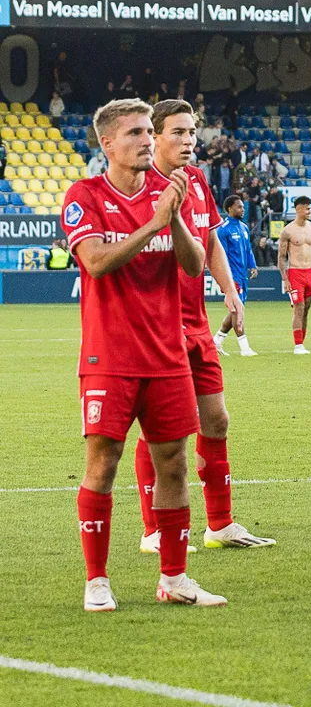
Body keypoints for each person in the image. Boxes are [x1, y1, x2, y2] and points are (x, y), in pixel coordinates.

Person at [62, 98, 226, 610]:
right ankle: (96, 581)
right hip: (109, 358)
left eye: (148, 132)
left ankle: (174, 578)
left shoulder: (168, 190)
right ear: (107, 143)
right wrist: (153, 224)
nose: (146, 141)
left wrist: (172, 218)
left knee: (173, 465)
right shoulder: (85, 195)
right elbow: (96, 262)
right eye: (135, 133)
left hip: (167, 356)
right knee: (103, 464)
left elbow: (194, 264)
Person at [133, 98, 275, 553]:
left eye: (192, 132)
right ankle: (154, 530)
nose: (189, 140)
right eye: (178, 132)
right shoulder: (138, 186)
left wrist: (230, 291)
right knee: (161, 431)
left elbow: (210, 239)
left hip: (195, 325)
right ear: (154, 136)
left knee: (216, 420)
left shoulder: (196, 179)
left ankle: (220, 525)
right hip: (158, 328)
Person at [278, 196, 311, 354]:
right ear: (299, 209)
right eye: (307, 208)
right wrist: (285, 279)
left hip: (310, 272)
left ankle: (301, 343)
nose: (310, 211)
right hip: (295, 273)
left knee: (306, 309)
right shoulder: (287, 231)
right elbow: (281, 257)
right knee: (298, 308)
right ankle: (298, 345)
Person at [214, 195, 260, 357]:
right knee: (237, 310)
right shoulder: (223, 229)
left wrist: (253, 265)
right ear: (230, 208)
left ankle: (216, 342)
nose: (243, 209)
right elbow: (221, 256)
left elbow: (248, 250)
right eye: (239, 207)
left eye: (243, 206)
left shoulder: (244, 227)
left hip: (242, 275)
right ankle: (244, 347)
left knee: (236, 310)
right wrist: (226, 278)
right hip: (232, 277)